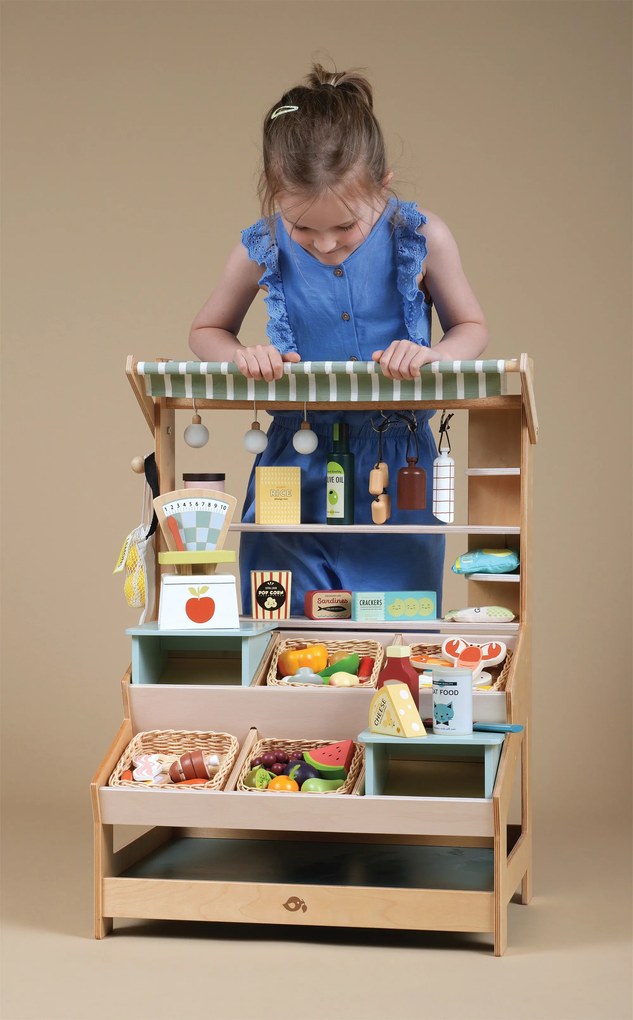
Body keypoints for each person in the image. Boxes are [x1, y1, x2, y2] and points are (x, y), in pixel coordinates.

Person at [190, 64, 488, 617]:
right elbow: (206, 332)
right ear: (273, 196)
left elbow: (472, 328)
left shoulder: (422, 236)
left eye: (345, 227)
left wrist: (433, 355)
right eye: (304, 228)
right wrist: (243, 355)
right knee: (281, 629)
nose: (324, 244)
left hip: (398, 466)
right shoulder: (263, 243)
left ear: (384, 182)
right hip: (293, 458)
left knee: (398, 632)